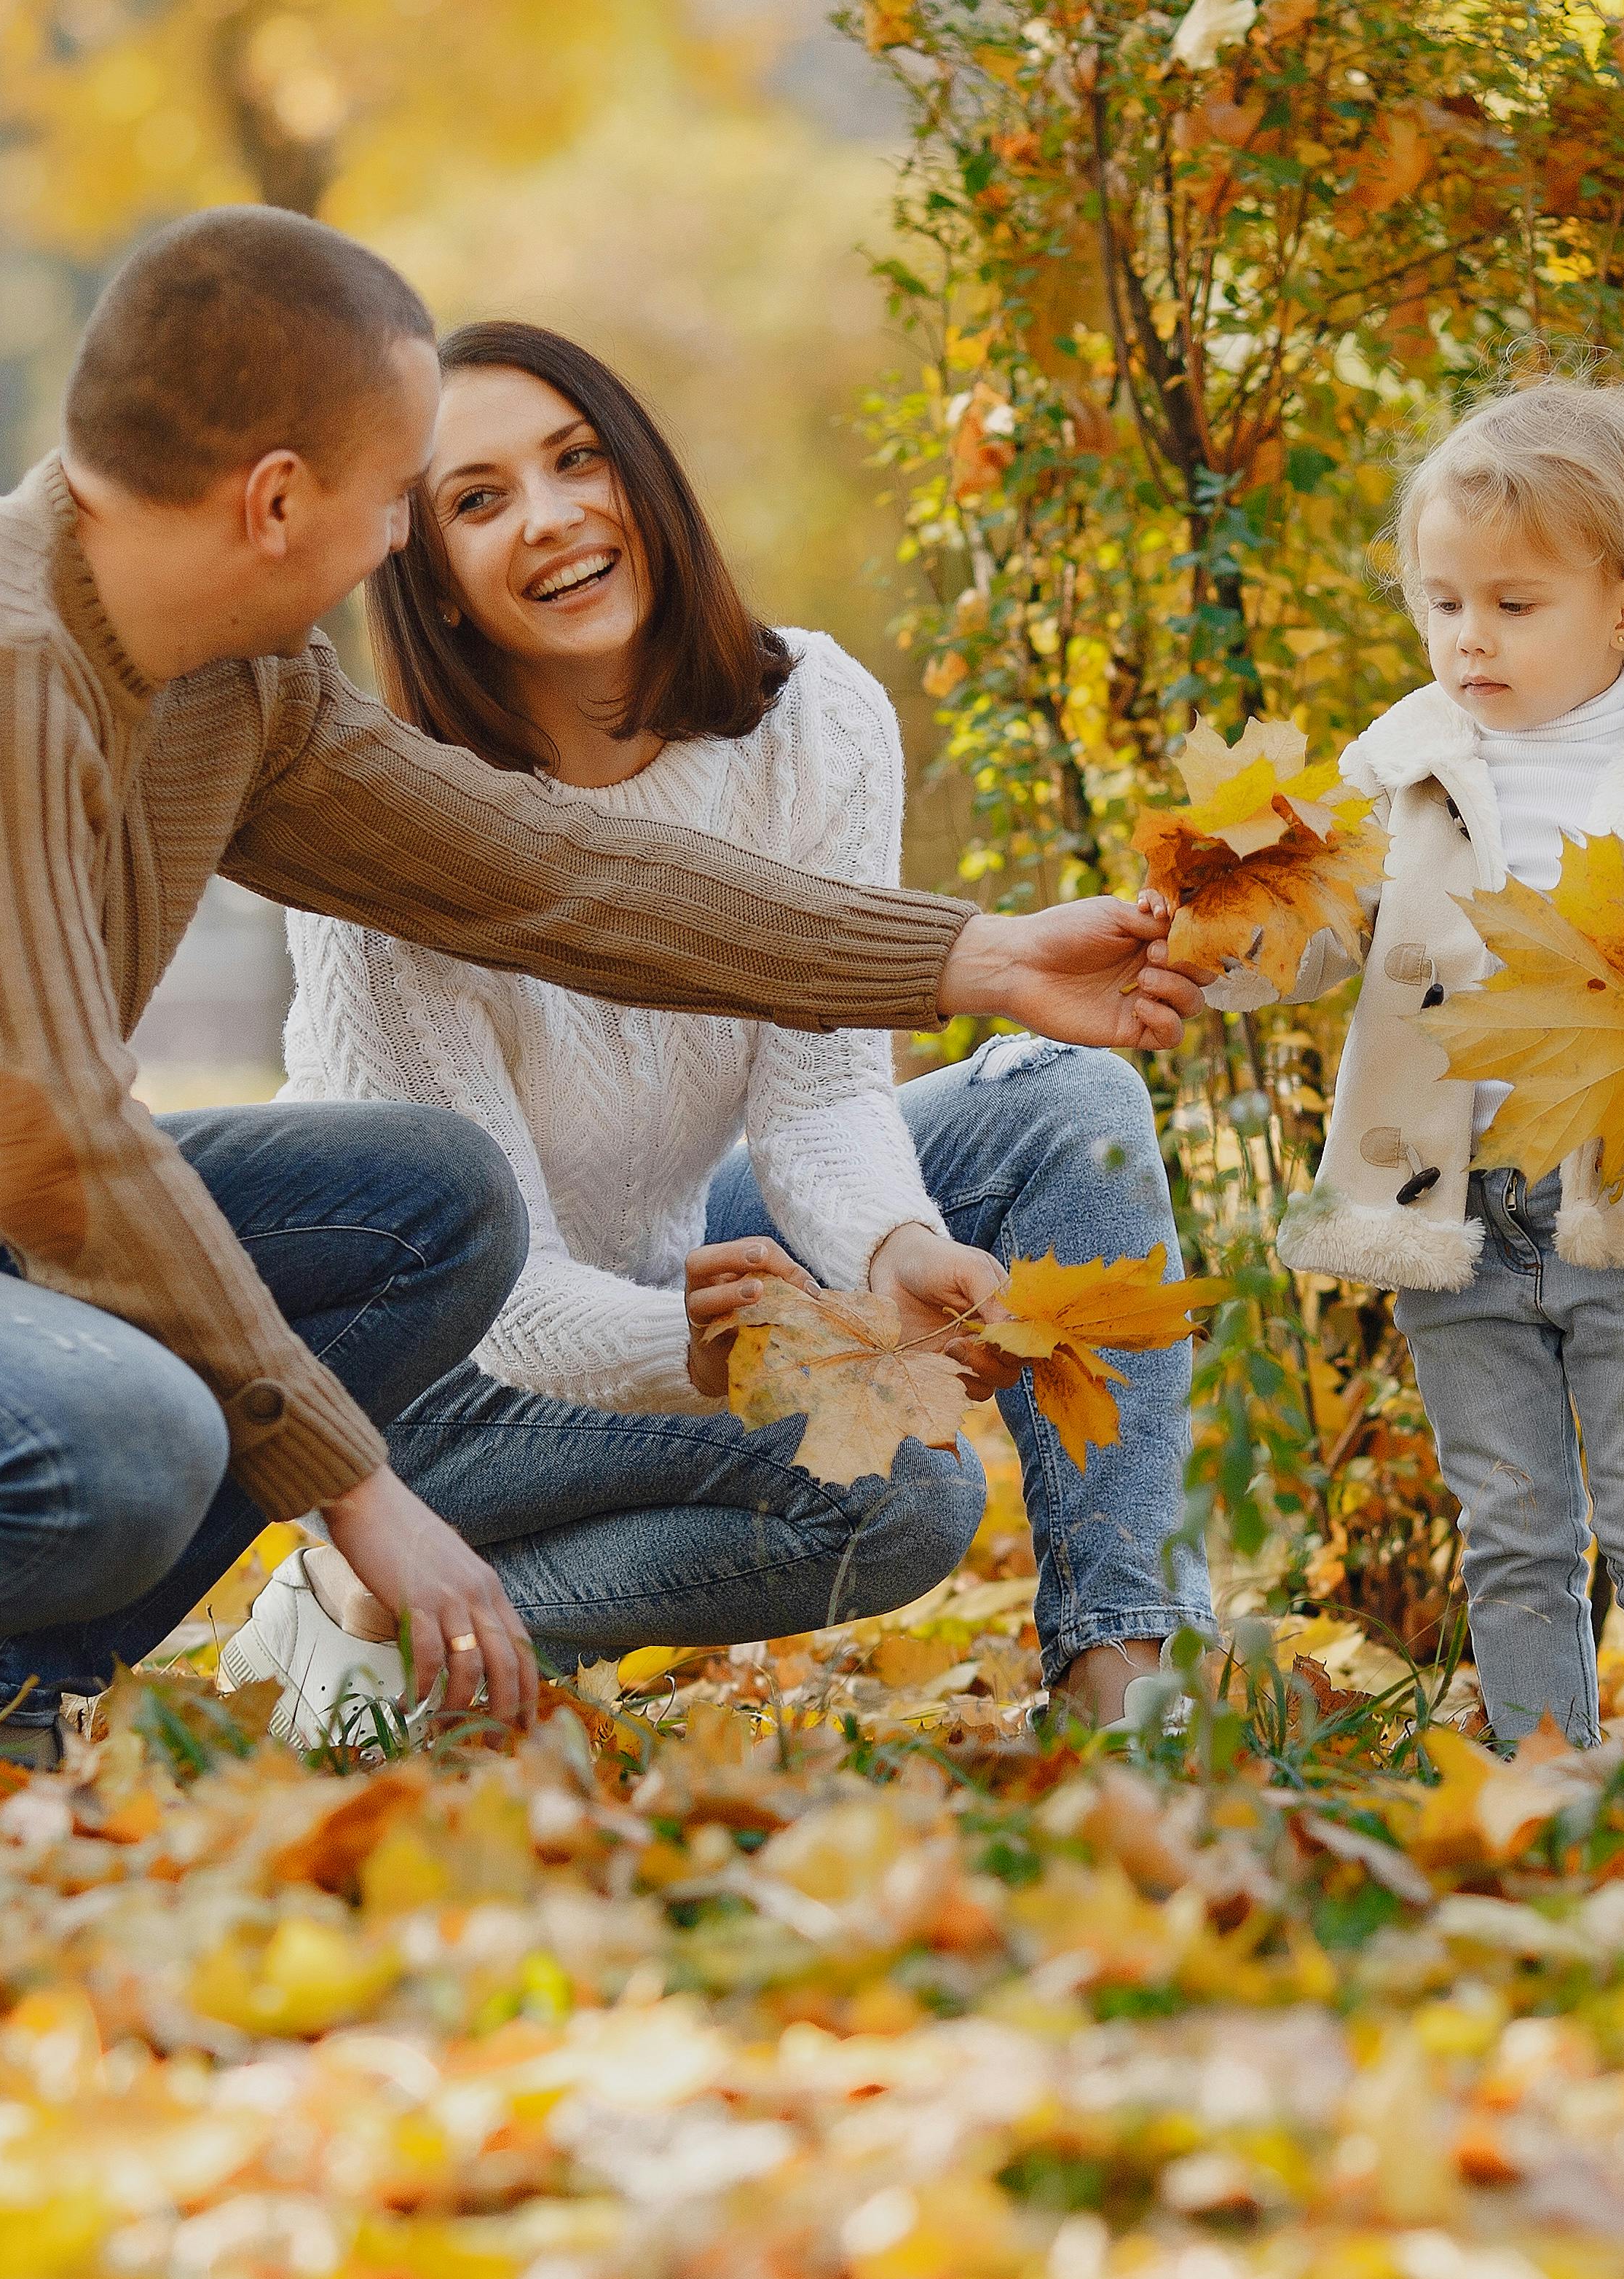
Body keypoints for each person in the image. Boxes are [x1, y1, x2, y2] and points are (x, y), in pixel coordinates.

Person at [0, 210, 1202, 1767]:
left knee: (426, 1205)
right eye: (414, 493)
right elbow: (47, 1148)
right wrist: (359, 1495)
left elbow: (554, 876)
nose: (416, 543)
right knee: (127, 1431)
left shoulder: (232, 684)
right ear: (280, 502)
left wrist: (967, 958)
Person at [234, 322, 1215, 1745]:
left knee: (1068, 1099)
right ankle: (378, 1609)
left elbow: (817, 1096)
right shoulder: (388, 843)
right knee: (904, 1491)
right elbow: (504, 1300)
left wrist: (897, 1253)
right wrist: (738, 1356)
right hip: (414, 1378)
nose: (556, 517)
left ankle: (1126, 1684)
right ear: (426, 575)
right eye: (480, 497)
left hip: (677, 1264)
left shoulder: (811, 718)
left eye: (578, 461)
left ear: (642, 473)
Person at [1214, 375, 1624, 1751]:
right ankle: (1542, 1781)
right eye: (1442, 601)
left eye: (1515, 606)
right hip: (1454, 1214)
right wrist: (1229, 937)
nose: (1471, 638)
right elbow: (1331, 932)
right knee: (1514, 1522)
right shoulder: (1402, 758)